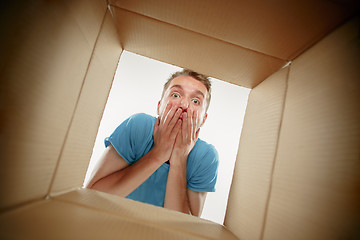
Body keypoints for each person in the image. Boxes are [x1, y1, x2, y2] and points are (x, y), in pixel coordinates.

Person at [86, 69, 219, 217]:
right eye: (176, 95)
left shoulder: (206, 156)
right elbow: (92, 196)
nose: (184, 104)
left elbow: (185, 228)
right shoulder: (139, 126)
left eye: (195, 101)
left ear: (203, 119)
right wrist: (158, 154)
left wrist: (180, 159)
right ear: (159, 106)